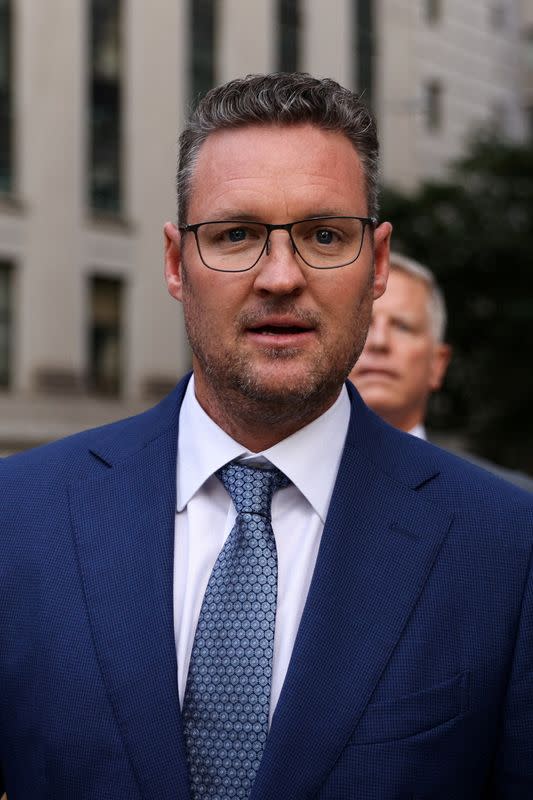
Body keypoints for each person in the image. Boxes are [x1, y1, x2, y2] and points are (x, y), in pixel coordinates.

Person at [1, 73, 532, 800]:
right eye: (235, 235)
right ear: (173, 264)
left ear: (376, 264)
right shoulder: (19, 520)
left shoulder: (505, 550)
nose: (279, 276)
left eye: (322, 235)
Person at [350, 252, 533, 490]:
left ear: (438, 364)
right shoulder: (285, 483)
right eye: (364, 323)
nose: (379, 341)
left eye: (403, 327)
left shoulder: (510, 504)